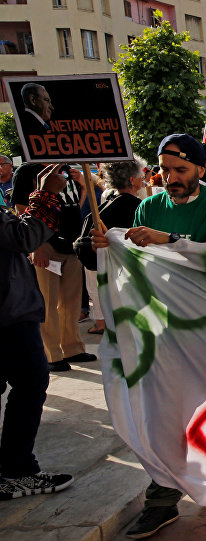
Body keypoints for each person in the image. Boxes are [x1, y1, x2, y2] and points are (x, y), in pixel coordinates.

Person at [91, 134, 206, 539]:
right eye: (165, 170)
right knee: (161, 409)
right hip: (165, 325)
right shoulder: (148, 206)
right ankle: (162, 495)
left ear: (199, 168)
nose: (171, 178)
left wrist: (170, 240)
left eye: (181, 170)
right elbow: (138, 263)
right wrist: (107, 247)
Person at [0, 163, 75, 500]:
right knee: (30, 382)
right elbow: (24, 236)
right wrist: (44, 194)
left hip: (12, 309)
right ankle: (17, 470)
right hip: (8, 315)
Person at [11, 163, 95, 372]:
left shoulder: (69, 168)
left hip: (71, 244)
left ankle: (72, 348)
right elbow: (21, 208)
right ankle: (51, 354)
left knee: (72, 301)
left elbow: (74, 204)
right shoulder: (29, 170)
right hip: (46, 244)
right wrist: (37, 246)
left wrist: (83, 186)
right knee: (47, 301)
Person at [74, 160, 147, 336]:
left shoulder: (101, 209)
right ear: (132, 179)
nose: (144, 178)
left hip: (107, 284)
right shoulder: (139, 209)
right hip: (127, 283)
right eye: (141, 175)